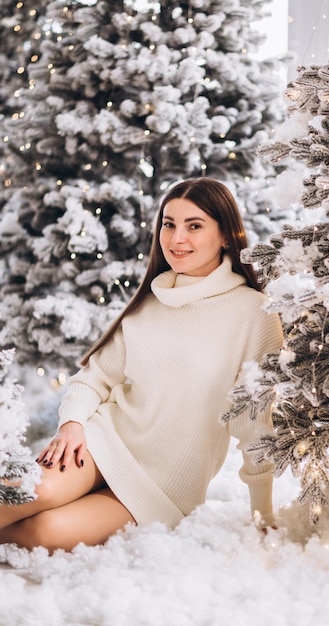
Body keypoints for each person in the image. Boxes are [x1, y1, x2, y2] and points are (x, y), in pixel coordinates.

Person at [0, 177, 283, 553]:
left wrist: (262, 514)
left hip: (163, 485)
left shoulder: (253, 313)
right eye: (169, 224)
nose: (176, 238)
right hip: (103, 443)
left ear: (227, 235)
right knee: (33, 493)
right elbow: (96, 377)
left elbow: (256, 424)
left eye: (194, 225)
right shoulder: (152, 300)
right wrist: (72, 425)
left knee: (42, 533)